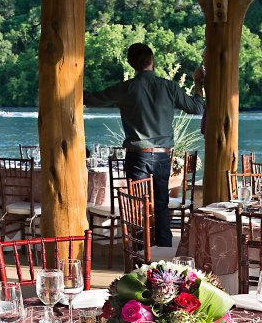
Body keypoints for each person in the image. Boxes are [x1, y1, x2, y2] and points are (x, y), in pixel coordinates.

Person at [85, 43, 205, 248]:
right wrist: (199, 85)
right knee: (161, 204)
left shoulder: (126, 88)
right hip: (162, 157)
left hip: (138, 155)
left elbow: (92, 98)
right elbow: (196, 107)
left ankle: (140, 252)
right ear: (152, 61)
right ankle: (164, 251)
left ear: (131, 64)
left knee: (137, 206)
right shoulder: (169, 87)